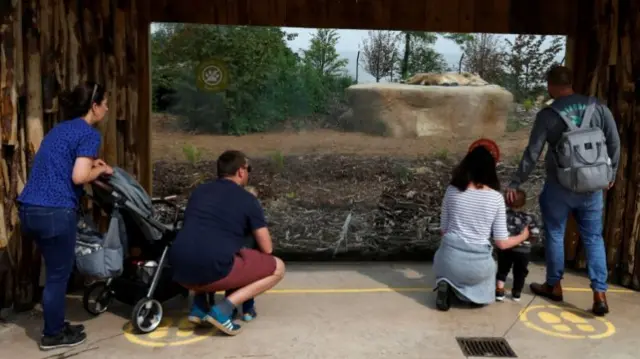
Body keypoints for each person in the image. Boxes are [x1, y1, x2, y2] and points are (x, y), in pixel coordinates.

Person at [505, 65, 620, 316]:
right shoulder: (598, 107)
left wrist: (516, 181)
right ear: (571, 83)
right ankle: (599, 294)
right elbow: (614, 142)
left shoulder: (548, 114)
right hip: (592, 188)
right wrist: (610, 173)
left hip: (560, 186)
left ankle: (554, 285)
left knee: (555, 233)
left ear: (552, 85)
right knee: (593, 237)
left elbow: (533, 153)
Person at [18, 82, 113, 350]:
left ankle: (56, 323)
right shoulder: (89, 134)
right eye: (104, 103)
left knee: (54, 272)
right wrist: (99, 171)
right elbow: (79, 176)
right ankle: (53, 335)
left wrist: (91, 163)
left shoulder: (59, 130)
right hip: (55, 212)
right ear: (94, 106)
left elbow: (61, 161)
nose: (107, 107)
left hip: (29, 208)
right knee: (58, 276)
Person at [170, 150, 285, 336]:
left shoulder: (199, 192)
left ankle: (199, 307)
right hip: (213, 269)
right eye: (249, 169)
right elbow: (267, 248)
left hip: (179, 271)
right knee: (278, 268)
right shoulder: (247, 199)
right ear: (241, 171)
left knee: (205, 245)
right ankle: (223, 309)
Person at [434, 144, 530, 311]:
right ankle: (471, 295)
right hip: (477, 266)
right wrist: (523, 235)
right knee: (483, 293)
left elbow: (444, 231)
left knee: (447, 267)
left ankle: (447, 285)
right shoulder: (495, 198)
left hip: (448, 260)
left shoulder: (452, 190)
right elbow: (501, 243)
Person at [495, 189, 541, 302]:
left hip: (506, 247)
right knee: (520, 272)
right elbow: (535, 233)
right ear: (524, 202)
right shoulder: (530, 217)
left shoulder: (503, 216)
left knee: (502, 269)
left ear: (506, 202)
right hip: (523, 251)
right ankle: (516, 292)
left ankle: (499, 290)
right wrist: (530, 241)